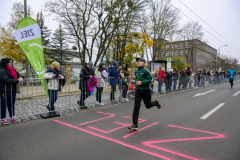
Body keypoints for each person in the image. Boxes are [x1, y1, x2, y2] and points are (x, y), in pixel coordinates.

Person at [128, 58, 161, 131]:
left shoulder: (146, 70)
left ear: (144, 64)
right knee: (136, 107)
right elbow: (137, 81)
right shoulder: (136, 71)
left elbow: (151, 79)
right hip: (138, 92)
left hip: (146, 91)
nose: (138, 62)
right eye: (138, 61)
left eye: (140, 61)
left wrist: (142, 82)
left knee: (148, 105)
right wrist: (136, 87)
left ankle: (156, 102)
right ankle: (135, 124)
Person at [0, 58, 24, 124]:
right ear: (6, 63)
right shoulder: (2, 70)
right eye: (10, 62)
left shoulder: (13, 69)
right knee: (4, 104)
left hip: (12, 90)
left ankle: (12, 116)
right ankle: (3, 118)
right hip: (4, 90)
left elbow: (20, 75)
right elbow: (7, 80)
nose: (12, 63)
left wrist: (21, 77)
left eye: (12, 62)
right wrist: (18, 80)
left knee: (12, 104)